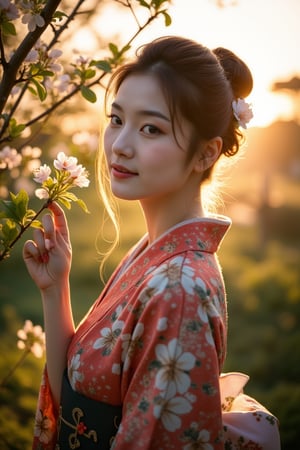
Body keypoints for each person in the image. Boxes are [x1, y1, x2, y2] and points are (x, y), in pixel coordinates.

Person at [23, 36, 280, 449]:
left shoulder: (180, 289)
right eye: (117, 119)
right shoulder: (155, 253)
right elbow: (79, 407)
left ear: (205, 154)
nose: (120, 145)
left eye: (151, 128)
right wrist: (55, 291)